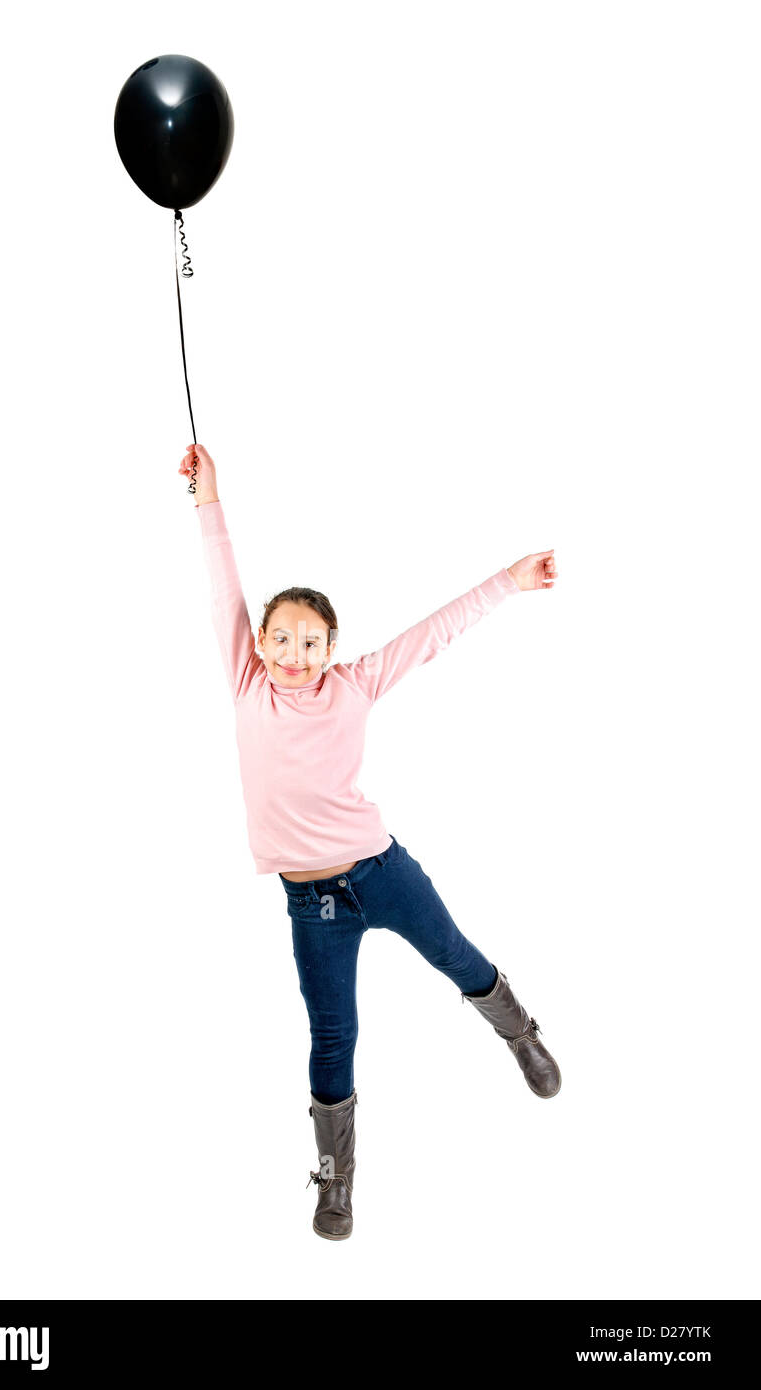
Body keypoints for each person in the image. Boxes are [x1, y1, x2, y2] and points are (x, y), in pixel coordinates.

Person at [181, 442, 561, 1241]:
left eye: (310, 642)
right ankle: (336, 1178)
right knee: (331, 1034)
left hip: (382, 873)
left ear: (330, 645)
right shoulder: (247, 682)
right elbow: (223, 584)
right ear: (260, 643)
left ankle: (518, 1032)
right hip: (310, 902)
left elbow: (431, 634)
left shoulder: (352, 685)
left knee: (457, 957)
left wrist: (509, 580)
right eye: (279, 639)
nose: (293, 654)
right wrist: (207, 498)